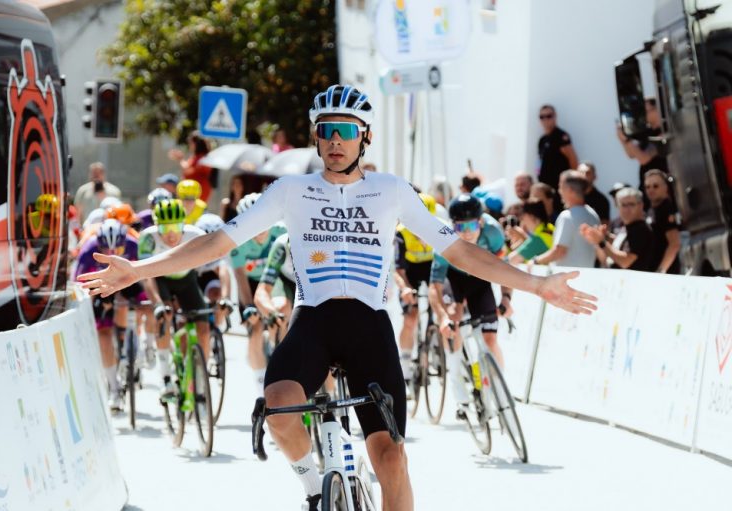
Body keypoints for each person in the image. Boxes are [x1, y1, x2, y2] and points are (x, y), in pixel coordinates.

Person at [78, 84, 596, 511]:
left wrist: (535, 284)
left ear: (364, 137)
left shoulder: (392, 190)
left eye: (345, 131)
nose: (334, 141)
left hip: (370, 324)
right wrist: (139, 269)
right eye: (326, 131)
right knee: (278, 407)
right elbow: (216, 241)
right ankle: (311, 487)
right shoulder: (291, 192)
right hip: (315, 320)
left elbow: (460, 252)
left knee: (390, 458)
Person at [429, 195, 510, 386]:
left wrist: (506, 298)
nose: (466, 234)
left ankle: (500, 390)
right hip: (454, 278)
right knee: (453, 322)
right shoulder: (443, 239)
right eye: (460, 227)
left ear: (480, 222)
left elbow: (505, 269)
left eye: (471, 227)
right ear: (452, 225)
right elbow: (435, 286)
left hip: (479, 277)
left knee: (490, 339)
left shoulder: (494, 233)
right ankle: (457, 383)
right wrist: (442, 317)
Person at [73, 219, 150, 411]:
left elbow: (148, 278)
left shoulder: (134, 245)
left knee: (144, 304)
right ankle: (114, 388)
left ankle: (136, 345)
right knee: (104, 333)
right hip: (101, 287)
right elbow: (80, 286)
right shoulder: (89, 250)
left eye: (117, 249)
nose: (111, 254)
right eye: (106, 250)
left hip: (128, 282)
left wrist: (149, 304)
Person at [137, 199, 211, 396]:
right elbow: (147, 276)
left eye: (176, 226)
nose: (171, 234)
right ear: (156, 225)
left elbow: (214, 268)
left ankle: (200, 379)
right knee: (165, 315)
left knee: (203, 328)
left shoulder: (195, 235)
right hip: (160, 279)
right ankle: (166, 378)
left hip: (187, 279)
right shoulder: (148, 239)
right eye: (165, 227)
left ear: (184, 224)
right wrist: (158, 304)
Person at [229, 192, 287, 397]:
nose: (260, 231)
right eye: (254, 225)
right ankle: (260, 382)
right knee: (255, 327)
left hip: (275, 280)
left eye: (264, 223)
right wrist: (250, 308)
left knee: (281, 318)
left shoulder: (282, 231)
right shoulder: (237, 240)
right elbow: (240, 278)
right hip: (250, 284)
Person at [393, 193, 437, 387]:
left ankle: (436, 349)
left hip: (432, 269)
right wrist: (405, 289)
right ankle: (405, 366)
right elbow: (398, 269)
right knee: (411, 317)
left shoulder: (439, 229)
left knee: (441, 310)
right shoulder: (401, 233)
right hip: (408, 272)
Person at [533, 170, 600, 268]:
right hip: (586, 278)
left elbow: (559, 251)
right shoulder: (593, 214)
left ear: (570, 190)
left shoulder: (567, 216)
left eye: (561, 187)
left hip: (567, 279)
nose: (559, 191)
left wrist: (536, 261)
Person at [580, 187, 654, 271]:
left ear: (641, 205)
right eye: (623, 205)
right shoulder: (625, 227)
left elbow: (625, 261)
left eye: (631, 204)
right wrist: (600, 237)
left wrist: (601, 242)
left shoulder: (641, 229)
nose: (627, 209)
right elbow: (606, 258)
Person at [254, 231, 297, 343]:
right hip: (286, 279)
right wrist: (273, 313)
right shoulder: (281, 246)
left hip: (310, 283)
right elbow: (261, 292)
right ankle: (280, 352)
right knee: (281, 308)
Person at [644, 169, 681, 273]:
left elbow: (674, 244)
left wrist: (661, 270)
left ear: (665, 187)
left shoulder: (667, 208)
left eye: (655, 186)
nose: (651, 190)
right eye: (647, 187)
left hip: (665, 273)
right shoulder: (650, 210)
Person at [537, 105, 578, 188]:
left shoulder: (561, 136)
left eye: (549, 116)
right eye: (542, 117)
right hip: (545, 188)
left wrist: (571, 183)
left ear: (555, 116)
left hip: (559, 187)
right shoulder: (542, 140)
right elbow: (539, 162)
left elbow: (573, 160)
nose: (545, 119)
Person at [169, 131, 213, 202]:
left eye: (190, 143)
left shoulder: (202, 158)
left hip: (197, 193)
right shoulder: (196, 157)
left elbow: (187, 170)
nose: (189, 145)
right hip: (190, 193)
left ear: (196, 144)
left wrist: (180, 159)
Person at [507, 199, 555, 264]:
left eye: (523, 216)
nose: (522, 220)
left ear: (531, 216)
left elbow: (512, 259)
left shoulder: (538, 239)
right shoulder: (551, 228)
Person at [577, 161, 611, 226]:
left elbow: (604, 226)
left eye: (588, 173)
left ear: (595, 176)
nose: (584, 176)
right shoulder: (571, 197)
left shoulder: (601, 200)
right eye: (581, 173)